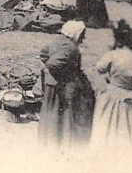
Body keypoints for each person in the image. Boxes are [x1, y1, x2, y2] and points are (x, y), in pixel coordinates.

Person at [91, 20, 132, 148]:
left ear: (118, 40)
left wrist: (112, 77)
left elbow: (99, 69)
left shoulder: (112, 55)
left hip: (114, 97)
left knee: (110, 130)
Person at [38, 20, 96, 148]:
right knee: (66, 112)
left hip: (52, 83)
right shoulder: (70, 47)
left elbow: (43, 53)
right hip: (62, 84)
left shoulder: (57, 40)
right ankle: (66, 140)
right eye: (82, 34)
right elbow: (54, 64)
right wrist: (63, 73)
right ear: (75, 33)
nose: (83, 37)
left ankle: (51, 139)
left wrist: (48, 69)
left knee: (53, 112)